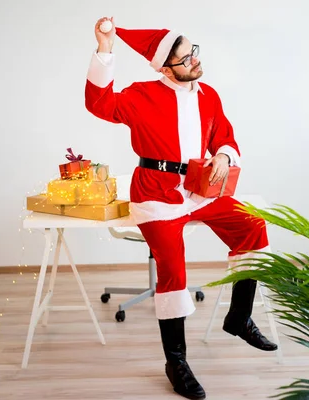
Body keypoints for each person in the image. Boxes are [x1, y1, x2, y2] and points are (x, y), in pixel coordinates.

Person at [85, 17, 278, 400]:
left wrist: (223, 155)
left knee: (253, 227)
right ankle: (176, 362)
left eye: (193, 51)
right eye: (184, 57)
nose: (193, 60)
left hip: (198, 188)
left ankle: (239, 317)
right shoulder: (142, 94)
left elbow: (225, 134)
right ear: (164, 66)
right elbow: (98, 103)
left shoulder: (207, 94)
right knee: (173, 266)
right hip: (155, 193)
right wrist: (106, 47)